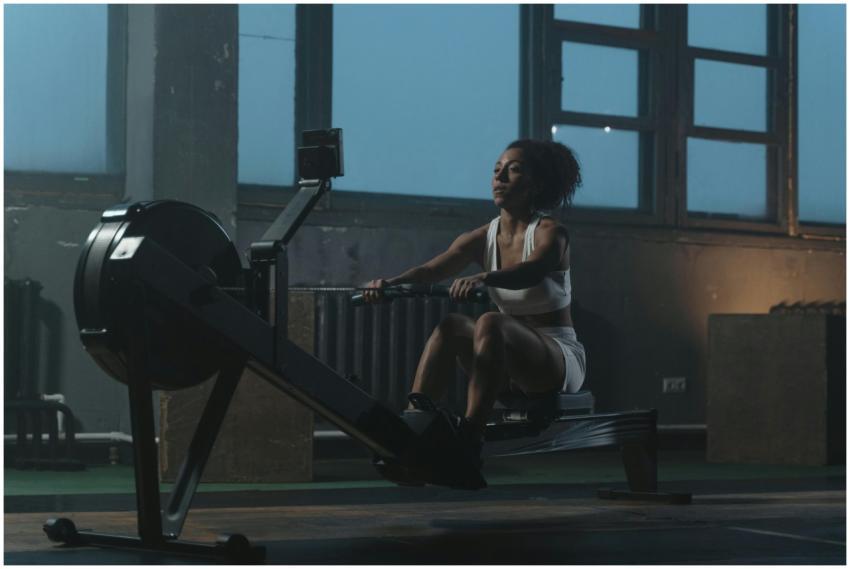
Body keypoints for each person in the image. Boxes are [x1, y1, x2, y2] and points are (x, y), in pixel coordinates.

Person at [364, 139, 586, 463]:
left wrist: (485, 277)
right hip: (505, 363)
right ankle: (413, 428)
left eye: (514, 171)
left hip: (557, 360)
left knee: (491, 320)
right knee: (453, 326)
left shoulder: (552, 233)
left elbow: (531, 271)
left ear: (536, 183)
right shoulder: (481, 237)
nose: (500, 178)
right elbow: (430, 270)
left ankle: (470, 440)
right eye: (497, 171)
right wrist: (390, 284)